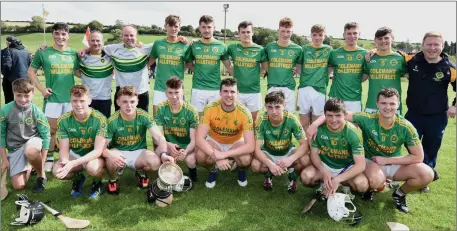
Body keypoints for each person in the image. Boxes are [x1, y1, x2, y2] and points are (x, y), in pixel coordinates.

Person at [308, 88, 434, 213]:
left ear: (398, 105)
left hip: (395, 162)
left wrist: (387, 160)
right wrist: (314, 125)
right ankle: (371, 189)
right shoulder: (367, 118)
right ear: (377, 104)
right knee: (375, 181)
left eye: (392, 103)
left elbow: (418, 157)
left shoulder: (406, 127)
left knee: (427, 174)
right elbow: (337, 114)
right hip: (372, 162)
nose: (387, 107)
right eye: (383, 103)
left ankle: (399, 194)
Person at [404, 32, 456, 192]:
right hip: (413, 114)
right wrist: (372, 52)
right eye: (429, 44)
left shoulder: (450, 67)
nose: (432, 48)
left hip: (437, 117)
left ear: (442, 46)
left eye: (436, 45)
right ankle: (424, 172)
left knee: (431, 147)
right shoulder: (411, 60)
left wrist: (455, 105)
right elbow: (390, 53)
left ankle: (424, 178)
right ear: (423, 45)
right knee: (409, 144)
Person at [103, 86, 174, 195]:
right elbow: (101, 147)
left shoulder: (144, 116)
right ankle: (113, 179)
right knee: (110, 159)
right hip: (119, 151)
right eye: (125, 102)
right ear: (118, 102)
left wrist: (163, 154)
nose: (129, 105)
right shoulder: (112, 120)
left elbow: (160, 138)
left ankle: (140, 172)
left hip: (139, 152)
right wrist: (110, 155)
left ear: (137, 101)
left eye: (132, 101)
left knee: (155, 162)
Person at [28, 22, 79, 172]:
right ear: (52, 35)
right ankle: (49, 158)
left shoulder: (73, 53)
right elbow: (31, 72)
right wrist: (42, 89)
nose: (60, 37)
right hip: (52, 99)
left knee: (70, 130)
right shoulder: (43, 52)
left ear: (68, 36)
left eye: (63, 34)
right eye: (57, 33)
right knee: (51, 131)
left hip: (70, 99)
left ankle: (68, 156)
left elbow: (78, 72)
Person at [300, 98, 368, 198]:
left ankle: (346, 188)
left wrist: (337, 179)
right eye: (330, 116)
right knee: (306, 177)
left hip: (346, 167)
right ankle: (322, 185)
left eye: (338, 115)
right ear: (324, 115)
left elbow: (361, 165)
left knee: (362, 185)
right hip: (325, 164)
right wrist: (324, 171)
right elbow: (314, 154)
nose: (334, 120)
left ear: (345, 115)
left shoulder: (352, 133)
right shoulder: (319, 130)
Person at [196, 78, 254, 188]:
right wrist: (217, 156)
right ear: (220, 93)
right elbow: (199, 139)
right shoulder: (210, 108)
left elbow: (250, 145)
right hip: (215, 141)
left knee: (246, 159)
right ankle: (213, 170)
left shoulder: (245, 112)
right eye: (225, 91)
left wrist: (223, 155)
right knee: (200, 155)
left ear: (237, 93)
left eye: (232, 91)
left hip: (235, 142)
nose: (229, 95)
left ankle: (241, 170)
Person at [52, 85, 107, 199]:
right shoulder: (63, 120)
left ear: (89, 100)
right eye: (75, 101)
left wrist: (74, 163)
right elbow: (64, 150)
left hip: (93, 156)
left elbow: (97, 151)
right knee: (58, 171)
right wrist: (65, 162)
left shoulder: (99, 119)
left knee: (92, 168)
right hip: (75, 154)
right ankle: (78, 177)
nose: (78, 104)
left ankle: (97, 183)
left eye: (82, 100)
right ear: (70, 101)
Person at [251, 91, 310, 193]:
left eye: (277, 107)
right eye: (270, 107)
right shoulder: (261, 120)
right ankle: (269, 174)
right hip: (269, 153)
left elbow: (305, 145)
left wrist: (290, 159)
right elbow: (257, 149)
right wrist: (270, 164)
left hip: (287, 152)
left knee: (305, 159)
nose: (274, 112)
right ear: (265, 106)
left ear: (284, 105)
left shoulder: (292, 119)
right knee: (255, 165)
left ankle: (292, 176)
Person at [0, 79, 50, 193]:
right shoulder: (4, 110)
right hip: (15, 148)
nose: (23, 99)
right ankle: (29, 164)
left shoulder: (37, 112)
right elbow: (1, 135)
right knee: (19, 186)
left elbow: (46, 136)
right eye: (19, 95)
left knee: (31, 152)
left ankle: (40, 176)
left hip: (32, 141)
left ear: (32, 93)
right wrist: (4, 159)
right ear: (13, 93)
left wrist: (42, 162)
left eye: (26, 95)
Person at [185, 15, 233, 116]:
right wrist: (198, 71)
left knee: (214, 120)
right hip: (198, 89)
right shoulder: (194, 46)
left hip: (215, 89)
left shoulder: (222, 46)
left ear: (214, 28)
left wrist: (241, 79)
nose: (206, 30)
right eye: (204, 27)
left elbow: (229, 66)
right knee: (197, 120)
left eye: (209, 27)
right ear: (199, 28)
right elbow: (189, 63)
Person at [155, 77, 199, 181]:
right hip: (168, 145)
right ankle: (168, 173)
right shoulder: (160, 109)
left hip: (187, 146)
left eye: (177, 92)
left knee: (190, 160)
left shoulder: (191, 111)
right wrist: (169, 146)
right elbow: (158, 137)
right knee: (158, 156)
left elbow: (194, 140)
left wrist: (186, 151)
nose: (174, 96)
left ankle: (193, 173)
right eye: (170, 93)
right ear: (166, 93)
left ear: (182, 92)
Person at [227, 21, 268, 122]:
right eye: (243, 32)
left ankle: (252, 138)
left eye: (248, 32)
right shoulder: (233, 48)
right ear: (239, 33)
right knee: (235, 120)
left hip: (254, 92)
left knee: (254, 121)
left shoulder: (260, 50)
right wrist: (233, 73)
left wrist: (259, 74)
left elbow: (264, 67)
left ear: (252, 33)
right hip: (237, 91)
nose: (246, 34)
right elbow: (221, 56)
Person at [149, 15, 190, 114]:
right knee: (157, 118)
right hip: (160, 87)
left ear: (179, 28)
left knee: (178, 118)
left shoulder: (184, 45)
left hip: (177, 89)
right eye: (170, 25)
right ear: (165, 26)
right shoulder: (158, 44)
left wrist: (180, 71)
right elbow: (150, 61)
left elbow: (188, 64)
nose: (173, 28)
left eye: (176, 26)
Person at [297, 24, 333, 130]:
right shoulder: (304, 49)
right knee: (303, 123)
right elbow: (298, 65)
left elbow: (331, 67)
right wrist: (305, 76)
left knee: (316, 123)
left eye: (320, 35)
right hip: (304, 89)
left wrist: (323, 76)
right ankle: (305, 146)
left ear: (324, 36)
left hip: (320, 90)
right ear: (311, 35)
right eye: (314, 35)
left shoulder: (329, 50)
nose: (317, 37)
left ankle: (314, 146)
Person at [363, 27, 407, 114]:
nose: (383, 41)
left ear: (392, 38)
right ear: (375, 40)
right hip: (372, 106)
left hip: (393, 106)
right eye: (380, 39)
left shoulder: (400, 58)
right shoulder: (369, 58)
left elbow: (411, 77)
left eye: (386, 38)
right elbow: (362, 78)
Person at [264, 17, 302, 113]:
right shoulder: (269, 47)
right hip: (272, 87)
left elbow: (300, 68)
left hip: (289, 88)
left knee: (288, 117)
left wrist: (295, 70)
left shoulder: (298, 49)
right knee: (271, 116)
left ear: (292, 32)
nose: (285, 34)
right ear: (278, 31)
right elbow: (263, 64)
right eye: (283, 31)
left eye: (288, 31)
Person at [328, 22, 368, 112]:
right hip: (335, 97)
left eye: (355, 33)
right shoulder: (334, 53)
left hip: (354, 98)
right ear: (344, 35)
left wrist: (353, 81)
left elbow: (366, 75)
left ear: (359, 35)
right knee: (333, 124)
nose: (352, 36)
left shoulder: (365, 54)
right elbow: (327, 70)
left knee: (353, 126)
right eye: (349, 33)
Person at [77, 30, 114, 118]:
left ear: (103, 41)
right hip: (87, 99)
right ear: (88, 42)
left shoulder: (110, 57)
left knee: (103, 127)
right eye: (92, 40)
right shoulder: (81, 57)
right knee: (87, 127)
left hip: (105, 99)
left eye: (98, 40)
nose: (95, 43)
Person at [1, 37, 31, 104]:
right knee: (25, 98)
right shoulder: (26, 52)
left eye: (8, 42)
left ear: (10, 43)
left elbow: (6, 66)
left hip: (11, 81)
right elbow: (30, 65)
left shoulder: (9, 51)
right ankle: (25, 113)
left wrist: (7, 76)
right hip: (25, 80)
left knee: (10, 100)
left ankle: (11, 114)